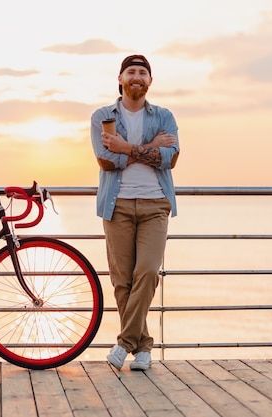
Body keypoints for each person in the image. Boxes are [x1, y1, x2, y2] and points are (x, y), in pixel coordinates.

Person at [90, 54, 179, 371]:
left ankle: (124, 343)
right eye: (131, 71)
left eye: (143, 72)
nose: (137, 76)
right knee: (122, 280)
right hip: (117, 205)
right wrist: (149, 148)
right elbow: (104, 159)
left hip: (155, 203)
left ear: (150, 81)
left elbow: (170, 158)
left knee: (148, 272)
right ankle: (142, 349)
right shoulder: (103, 115)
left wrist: (125, 148)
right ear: (120, 79)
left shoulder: (164, 116)